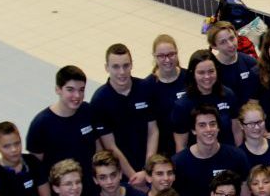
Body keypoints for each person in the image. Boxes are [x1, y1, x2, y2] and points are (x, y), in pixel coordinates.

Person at [28, 65, 110, 187]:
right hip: (62, 194)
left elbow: (98, 150)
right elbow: (36, 167)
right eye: (70, 90)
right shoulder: (42, 124)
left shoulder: (87, 111)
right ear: (58, 89)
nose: (77, 96)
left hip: (90, 188)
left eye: (81, 90)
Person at [91, 43, 158, 185]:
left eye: (126, 65)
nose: (121, 72)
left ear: (132, 65)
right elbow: (110, 146)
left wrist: (147, 168)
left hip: (149, 168)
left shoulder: (145, 88)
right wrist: (134, 177)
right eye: (115, 67)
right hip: (121, 174)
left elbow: (153, 130)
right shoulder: (100, 100)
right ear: (106, 68)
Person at [173, 104, 250, 196]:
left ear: (218, 127)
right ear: (193, 130)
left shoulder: (237, 156)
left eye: (212, 124)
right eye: (202, 125)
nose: (208, 129)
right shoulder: (179, 162)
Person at [172, 50, 243, 151]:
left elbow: (236, 130)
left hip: (227, 156)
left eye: (211, 71)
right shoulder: (183, 105)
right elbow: (181, 145)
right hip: (199, 160)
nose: (207, 77)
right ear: (193, 74)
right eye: (201, 72)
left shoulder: (228, 95)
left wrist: (239, 156)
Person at [144, 34, 192, 157]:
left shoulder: (189, 78)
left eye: (171, 54)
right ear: (154, 57)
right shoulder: (148, 86)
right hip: (163, 149)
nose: (167, 60)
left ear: (177, 53)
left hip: (190, 145)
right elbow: (151, 128)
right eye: (161, 56)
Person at [207, 21, 260, 108]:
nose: (230, 45)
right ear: (214, 46)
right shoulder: (211, 70)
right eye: (223, 42)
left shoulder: (250, 62)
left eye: (232, 38)